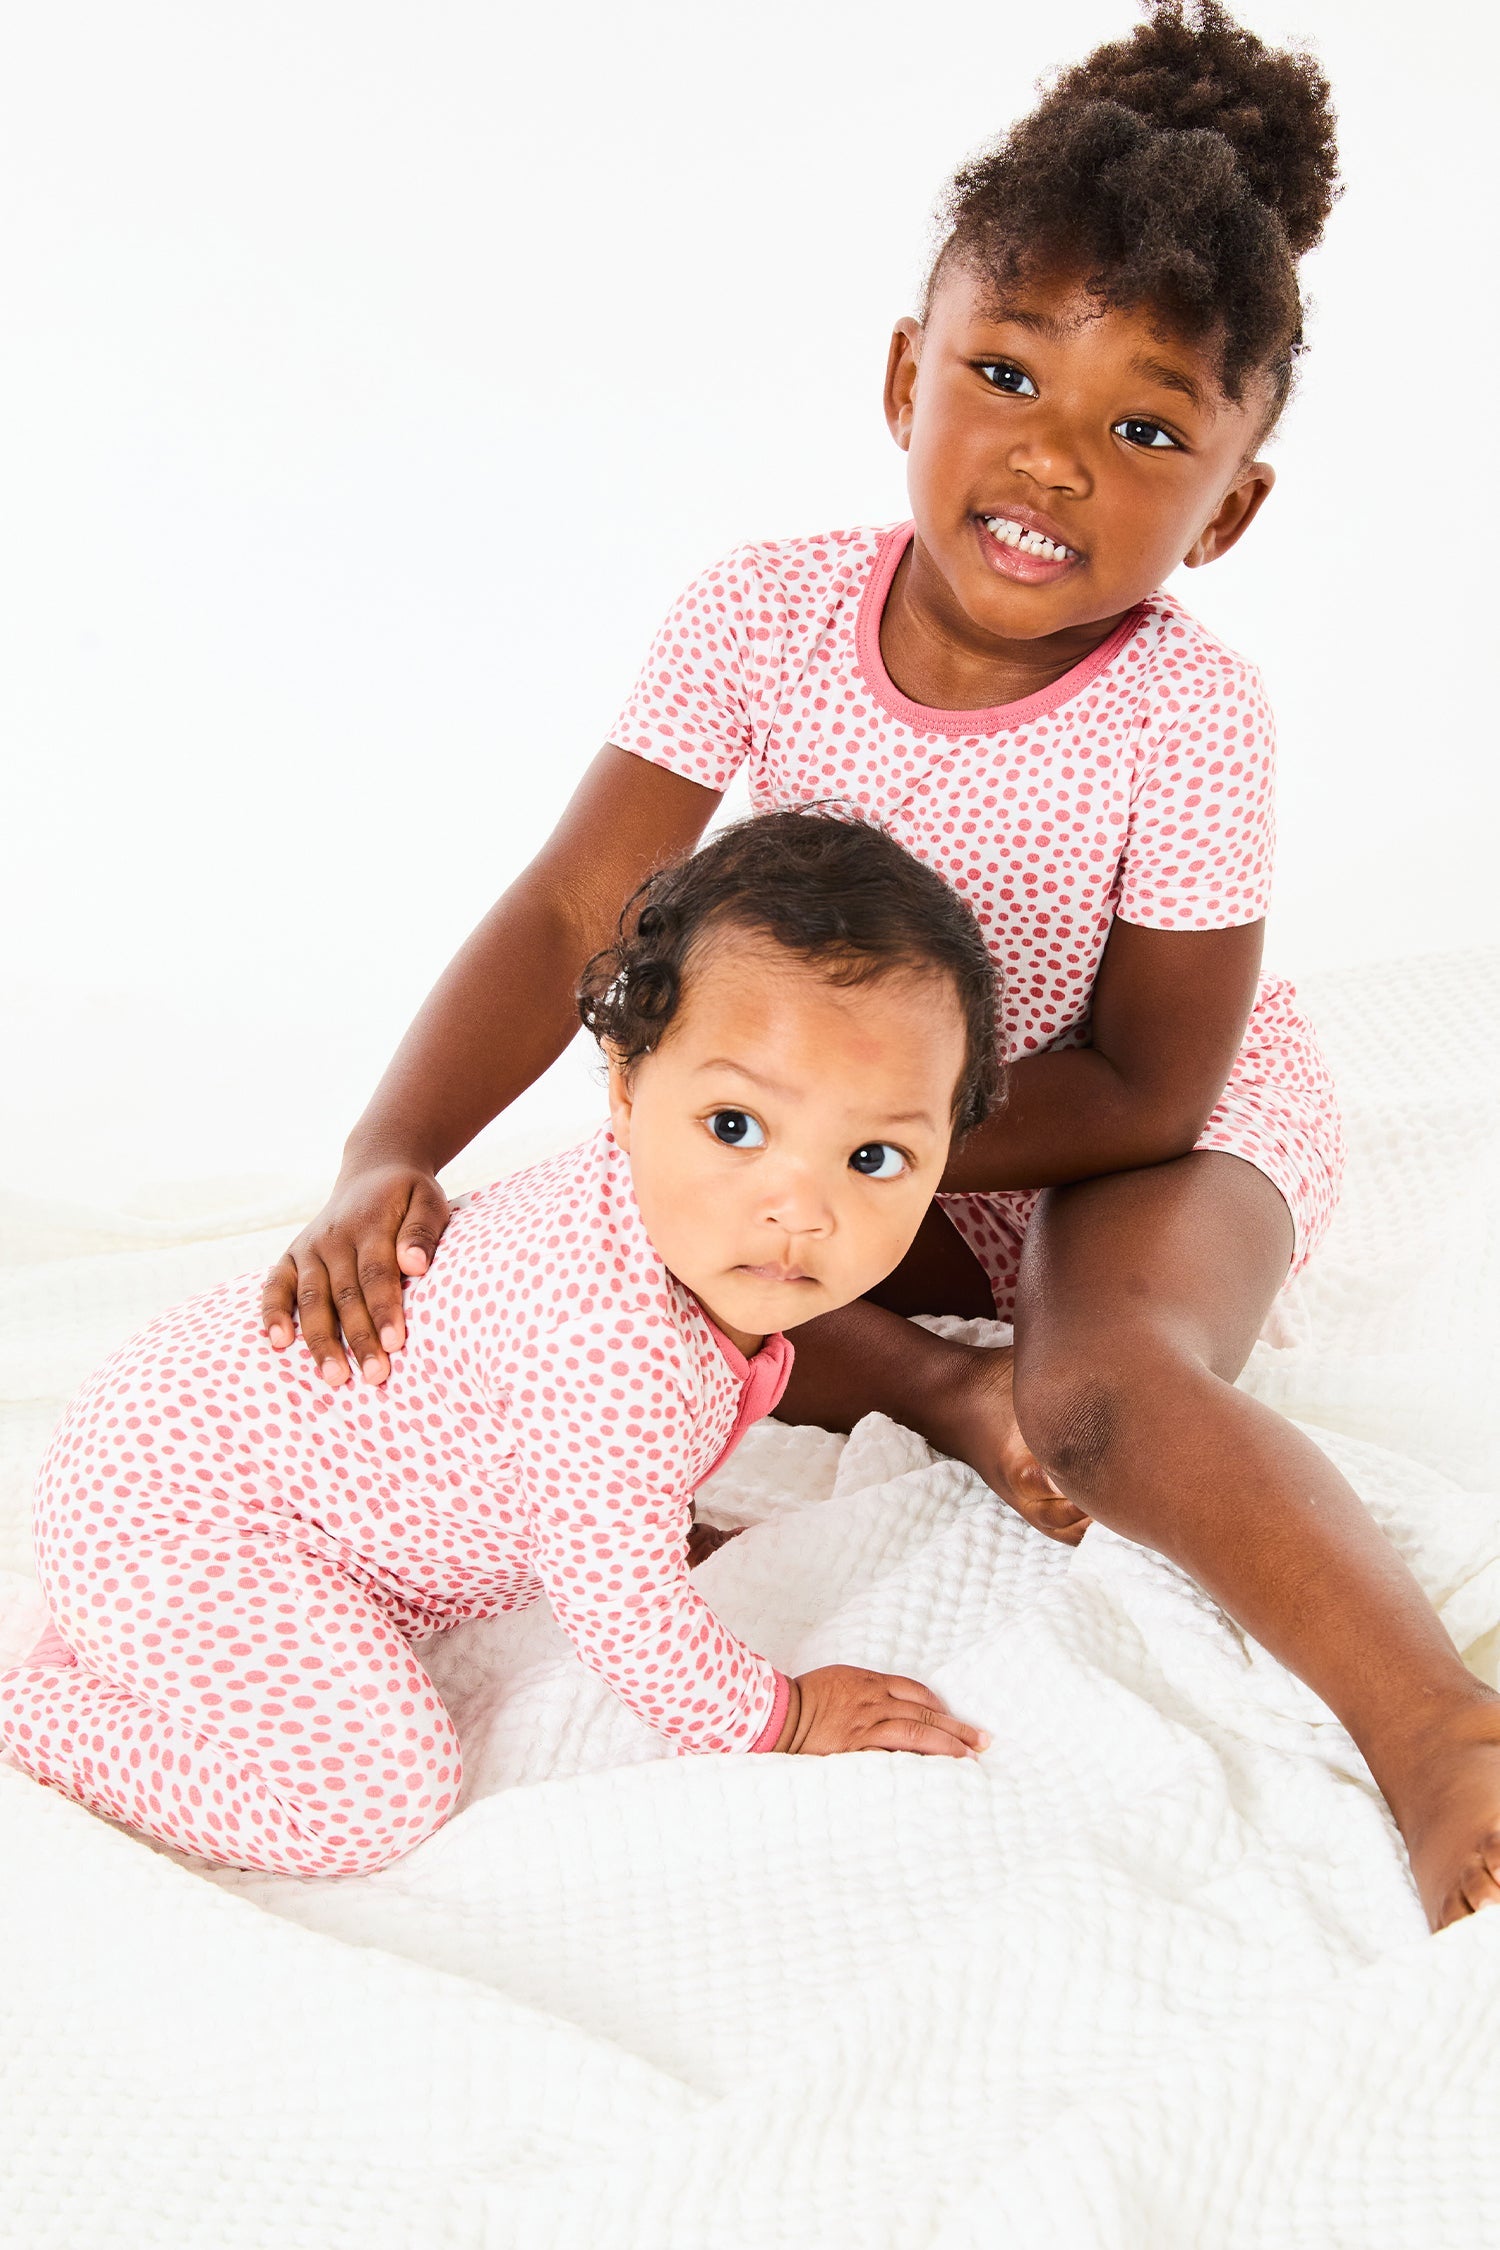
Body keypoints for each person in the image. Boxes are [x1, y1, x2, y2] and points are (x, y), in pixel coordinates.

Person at [259, 1, 1500, 1928]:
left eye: (1149, 429)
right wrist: (387, 1146)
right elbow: (579, 911)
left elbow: (1159, 1082)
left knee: (1105, 1395)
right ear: (907, 371)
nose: (1055, 459)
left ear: (1234, 502)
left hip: (1116, 1132)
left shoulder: (1192, 717)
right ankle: (929, 1384)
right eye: (1005, 373)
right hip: (881, 1136)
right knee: (595, 1251)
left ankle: (1440, 1739)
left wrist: (861, 1150)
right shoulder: (759, 614)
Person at [0, 814, 995, 1876]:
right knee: (370, 1797)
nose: (800, 1209)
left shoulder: (669, 1243)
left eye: (875, 1155)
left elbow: (581, 1461)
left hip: (207, 1445)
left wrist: (651, 1513)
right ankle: (42, 1710)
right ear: (625, 1090)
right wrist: (783, 1715)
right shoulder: (608, 1346)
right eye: (737, 1128)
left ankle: (123, 1645)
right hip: (180, 1504)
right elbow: (622, 1615)